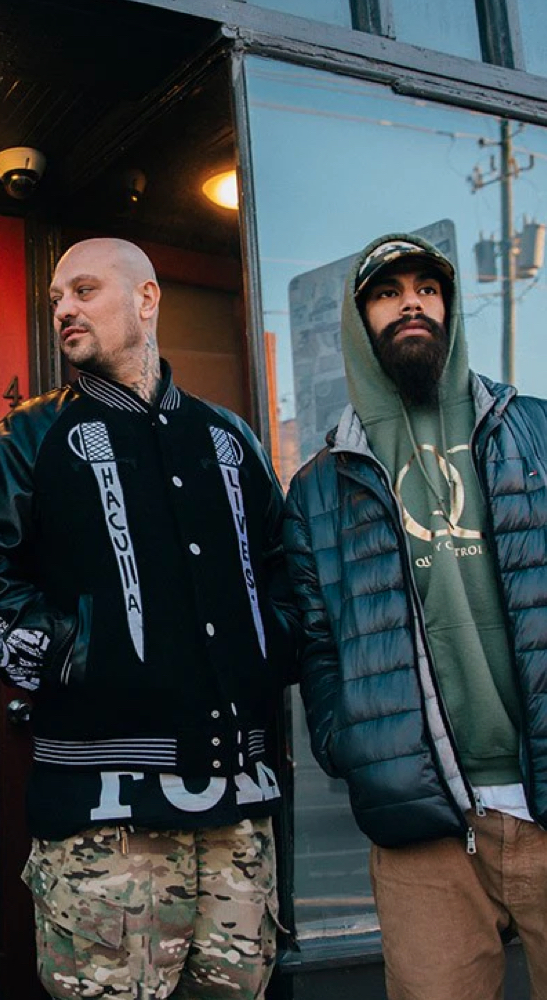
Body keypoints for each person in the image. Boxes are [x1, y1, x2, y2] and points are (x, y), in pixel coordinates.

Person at [0, 237, 300, 1000]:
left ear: (146, 299)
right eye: (55, 299)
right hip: (101, 819)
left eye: (84, 290)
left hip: (241, 810)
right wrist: (70, 652)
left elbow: (288, 567)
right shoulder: (28, 436)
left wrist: (274, 648)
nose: (64, 309)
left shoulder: (230, 437)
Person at [282, 232, 547, 1000]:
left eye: (427, 290)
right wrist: (355, 743)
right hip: (423, 827)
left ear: (451, 307)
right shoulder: (321, 487)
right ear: (359, 317)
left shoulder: (531, 432)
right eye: (388, 292)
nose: (412, 305)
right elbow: (317, 645)